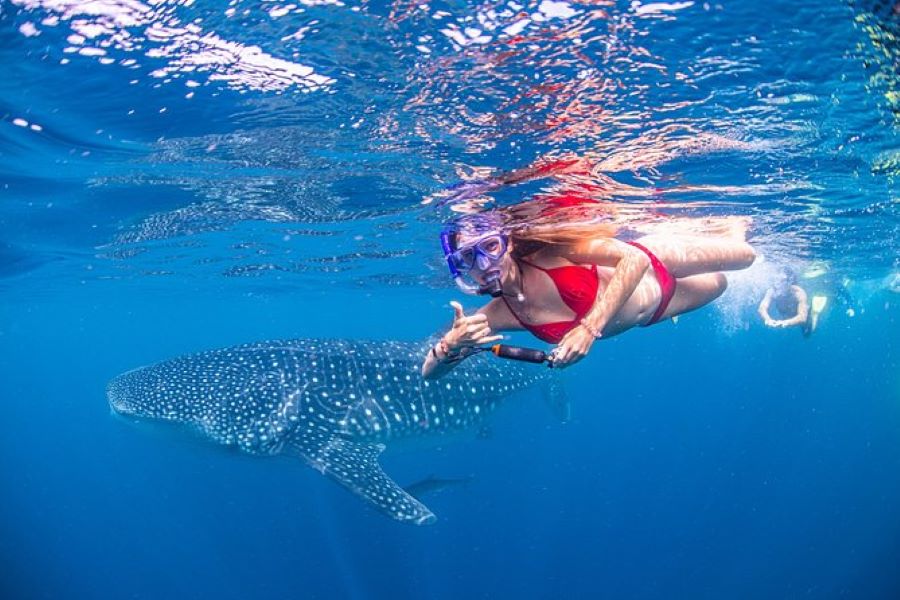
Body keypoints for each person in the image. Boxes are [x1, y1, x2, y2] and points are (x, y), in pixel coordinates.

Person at [421, 209, 756, 379]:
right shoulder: (499, 313)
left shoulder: (550, 254)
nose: (484, 263)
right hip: (658, 308)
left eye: (490, 247)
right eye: (469, 257)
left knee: (745, 256)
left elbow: (634, 258)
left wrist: (589, 328)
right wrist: (450, 345)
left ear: (507, 243)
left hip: (654, 259)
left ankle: (707, 227)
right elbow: (429, 375)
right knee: (721, 284)